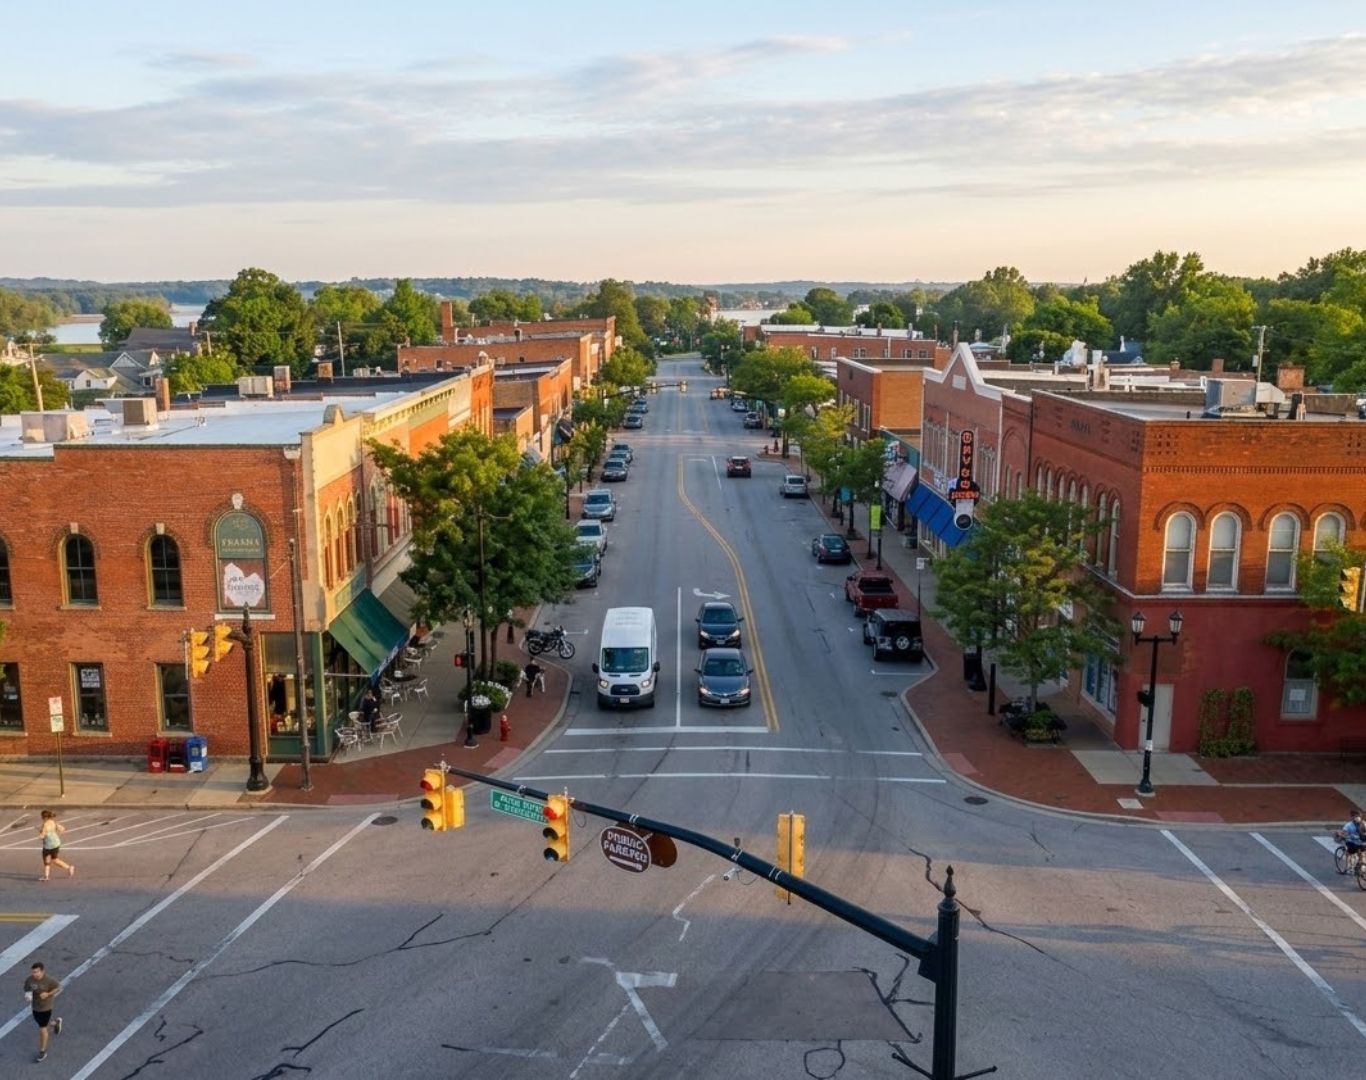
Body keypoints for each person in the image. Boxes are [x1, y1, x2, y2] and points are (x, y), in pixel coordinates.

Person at [23, 961, 63, 1063]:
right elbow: (27, 990)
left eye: (37, 972)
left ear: (42, 971)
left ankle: (42, 1051)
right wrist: (28, 996)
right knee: (42, 1024)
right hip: (35, 1007)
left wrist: (48, 994)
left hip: (46, 1007)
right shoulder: (29, 980)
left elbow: (59, 987)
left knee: (42, 1029)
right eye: (33, 972)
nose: (34, 974)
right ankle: (56, 1023)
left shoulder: (49, 980)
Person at [38, 810, 74, 882]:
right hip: (56, 843)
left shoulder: (45, 825)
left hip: (48, 845)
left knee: (46, 860)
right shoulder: (53, 822)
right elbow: (62, 829)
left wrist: (40, 834)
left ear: (44, 817)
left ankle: (46, 876)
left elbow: (42, 836)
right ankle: (69, 867)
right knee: (54, 859)